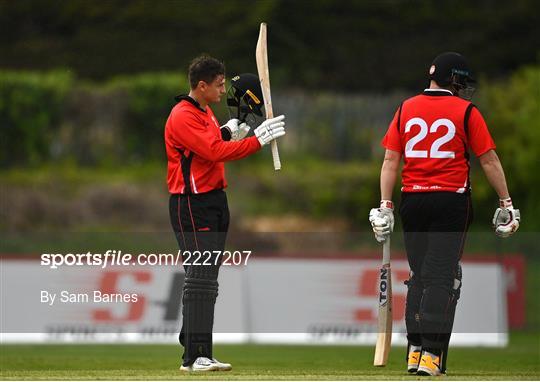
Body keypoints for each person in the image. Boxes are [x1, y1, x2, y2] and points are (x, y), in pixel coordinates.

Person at [369, 52, 520, 376]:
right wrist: (506, 202)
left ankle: (414, 352)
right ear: (454, 80)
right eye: (462, 82)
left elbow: (390, 162)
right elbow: (489, 160)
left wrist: (385, 205)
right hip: (450, 200)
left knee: (419, 277)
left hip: (413, 200)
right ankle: (432, 355)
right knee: (441, 277)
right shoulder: (466, 111)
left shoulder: (406, 108)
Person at [164, 55, 285, 372]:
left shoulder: (204, 113)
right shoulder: (182, 115)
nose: (222, 91)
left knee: (206, 278)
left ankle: (195, 345)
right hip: (192, 203)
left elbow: (211, 143)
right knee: (201, 277)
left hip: (214, 199)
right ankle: (195, 354)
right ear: (201, 86)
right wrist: (257, 140)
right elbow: (214, 152)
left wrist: (229, 131)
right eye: (218, 86)